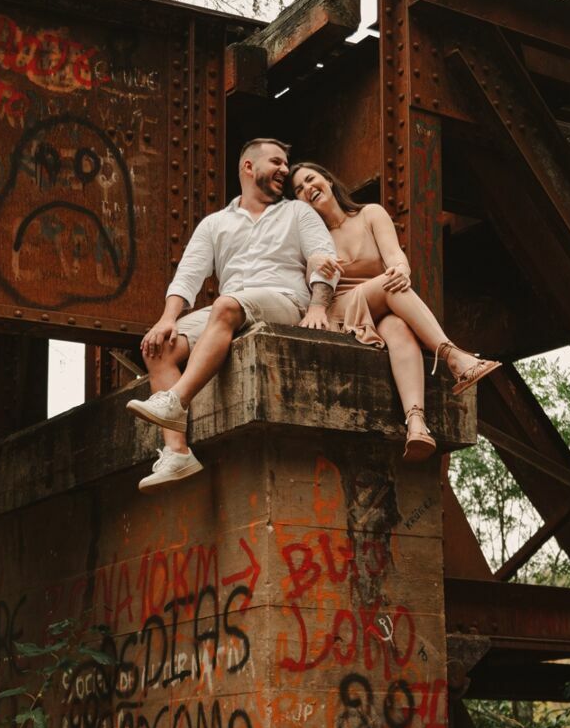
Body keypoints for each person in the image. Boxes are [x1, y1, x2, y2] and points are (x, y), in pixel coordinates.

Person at [127, 138, 337, 490]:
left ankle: (176, 400)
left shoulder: (297, 213)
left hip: (284, 300)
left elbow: (325, 257)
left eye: (286, 164)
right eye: (277, 162)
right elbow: (188, 275)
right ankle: (177, 453)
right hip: (234, 308)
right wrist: (167, 318)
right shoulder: (215, 224)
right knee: (159, 346)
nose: (285, 170)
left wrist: (318, 306)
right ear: (248, 167)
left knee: (226, 304)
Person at [290, 161, 501, 461]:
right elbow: (303, 282)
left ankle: (416, 424)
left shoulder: (370, 214)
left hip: (381, 305)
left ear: (329, 180)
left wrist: (402, 270)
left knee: (400, 327)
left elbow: (395, 257)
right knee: (388, 286)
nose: (307, 189)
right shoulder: (309, 236)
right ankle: (452, 356)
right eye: (299, 189)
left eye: (311, 179)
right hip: (342, 311)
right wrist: (313, 262)